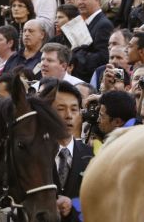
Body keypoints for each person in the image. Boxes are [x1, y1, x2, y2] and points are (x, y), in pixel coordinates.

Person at [38, 80, 93, 221]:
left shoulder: (91, 156)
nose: (69, 115)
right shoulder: (32, 157)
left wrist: (72, 205)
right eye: (60, 109)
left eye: (74, 109)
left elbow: (99, 199)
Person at [71, 0, 113, 82]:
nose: (80, 2)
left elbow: (103, 58)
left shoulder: (104, 25)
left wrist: (77, 52)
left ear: (97, 0)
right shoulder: (85, 23)